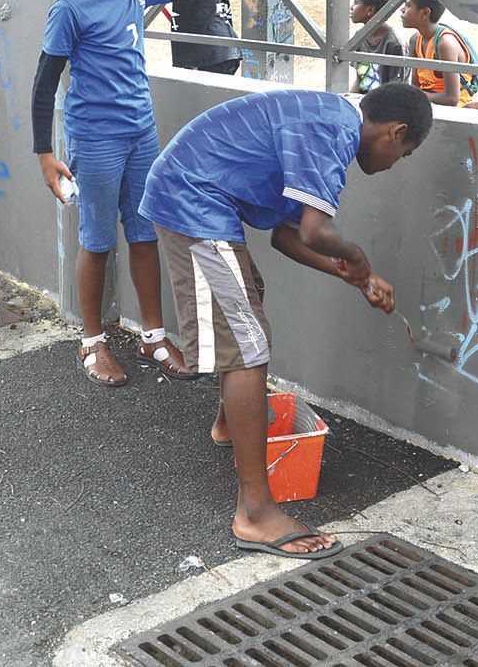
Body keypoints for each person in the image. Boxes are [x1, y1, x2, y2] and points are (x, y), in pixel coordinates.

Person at [139, 83, 432, 559]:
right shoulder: (334, 131)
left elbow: (287, 236)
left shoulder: (330, 122)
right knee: (248, 346)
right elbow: (316, 232)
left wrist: (359, 278)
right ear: (396, 132)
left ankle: (230, 425)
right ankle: (255, 514)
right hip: (192, 199)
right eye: (405, 153)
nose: (396, 163)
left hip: (195, 191)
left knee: (247, 307)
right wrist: (357, 256)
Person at [33, 0, 275, 386]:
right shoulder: (70, 8)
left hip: (142, 131)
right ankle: (92, 342)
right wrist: (45, 155)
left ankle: (154, 336)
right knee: (97, 240)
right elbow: (44, 83)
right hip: (96, 138)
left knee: (145, 232)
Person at [400, 0, 476, 107]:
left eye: (408, 5)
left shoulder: (445, 44)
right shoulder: (415, 40)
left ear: (425, 13)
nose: (402, 10)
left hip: (454, 110)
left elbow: (452, 98)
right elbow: (416, 86)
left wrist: (414, 97)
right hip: (427, 104)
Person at [348, 0, 406, 93]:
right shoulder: (359, 37)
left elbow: (396, 88)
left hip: (387, 99)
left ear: (370, 10)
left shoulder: (393, 44)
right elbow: (360, 80)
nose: (351, 7)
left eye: (356, 2)